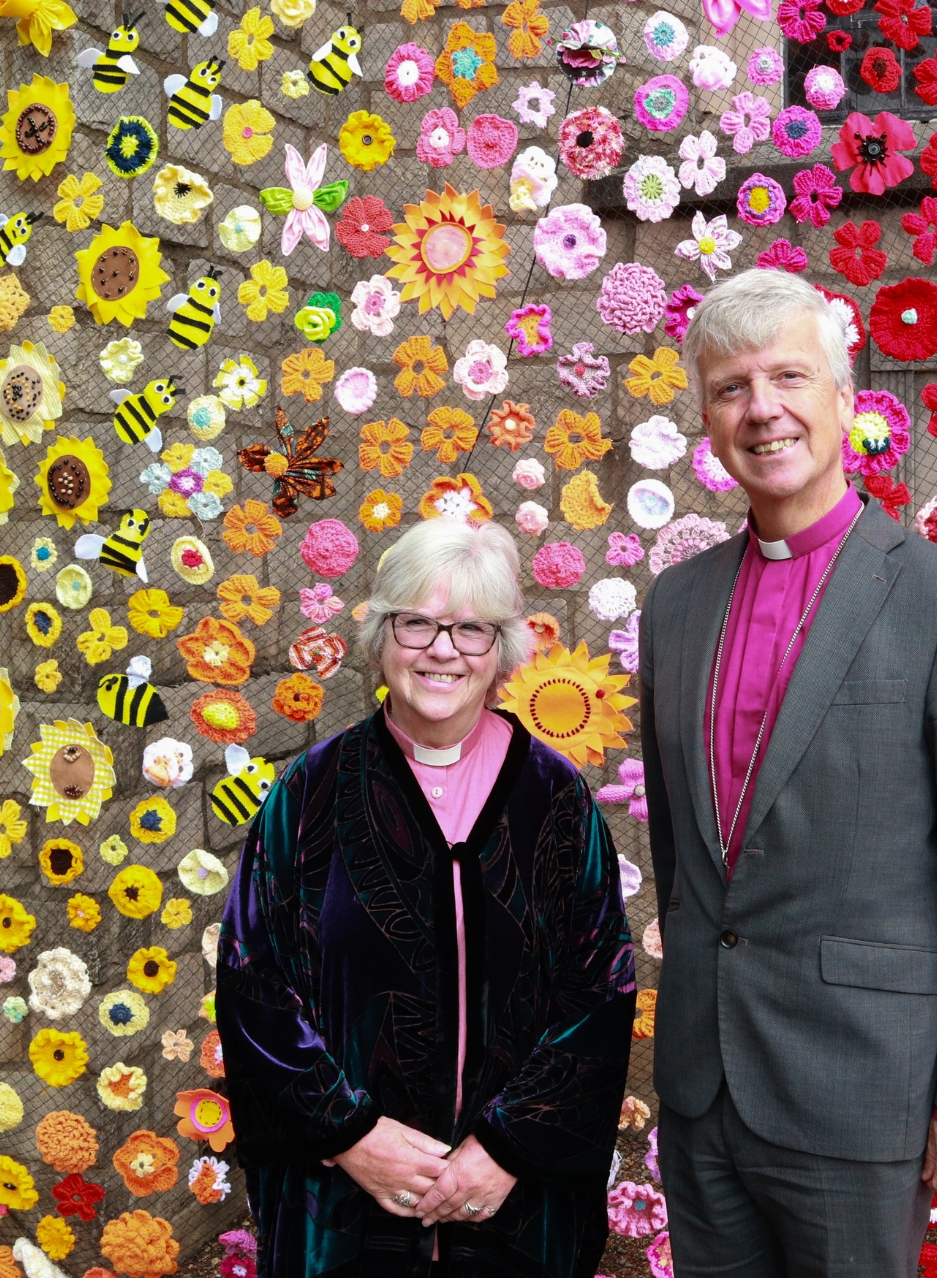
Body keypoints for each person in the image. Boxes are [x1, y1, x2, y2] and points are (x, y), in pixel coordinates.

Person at [640, 268, 937, 1276]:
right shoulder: (676, 605)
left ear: (844, 397)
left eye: (788, 376)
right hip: (704, 1089)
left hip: (861, 1092)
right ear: (706, 413)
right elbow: (682, 859)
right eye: (732, 387)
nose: (762, 409)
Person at [219, 517, 636, 1278]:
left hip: (513, 1211)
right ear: (382, 637)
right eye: (417, 624)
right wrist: (350, 1135)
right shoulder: (310, 795)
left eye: (472, 629)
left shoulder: (556, 801)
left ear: (501, 650)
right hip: (343, 1208)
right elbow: (255, 982)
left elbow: (599, 991)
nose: (442, 650)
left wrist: (507, 1147)